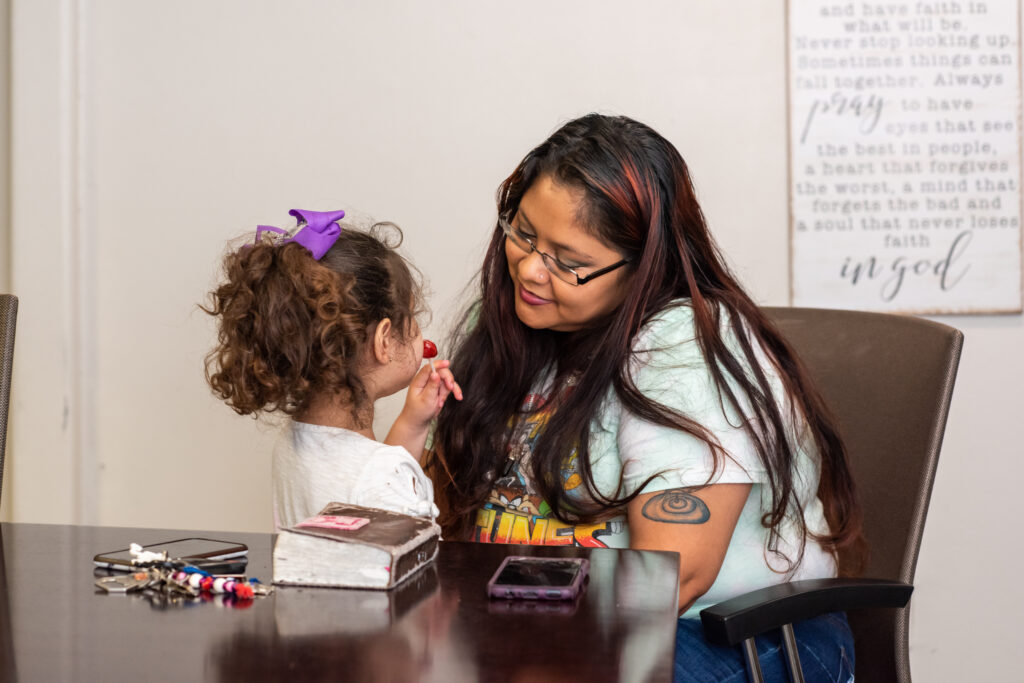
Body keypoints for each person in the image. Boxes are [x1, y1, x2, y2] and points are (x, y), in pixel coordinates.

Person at [426, 115, 864, 682]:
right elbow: (434, 514)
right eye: (524, 234)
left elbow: (673, 577)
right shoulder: (510, 323)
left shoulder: (686, 347)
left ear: (642, 268)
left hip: (728, 635)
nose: (531, 270)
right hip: (534, 620)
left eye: (569, 262)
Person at [204, 209, 461, 530]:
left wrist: (412, 423)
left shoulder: (293, 443)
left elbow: (364, 486)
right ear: (384, 340)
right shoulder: (383, 477)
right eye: (411, 315)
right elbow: (411, 567)